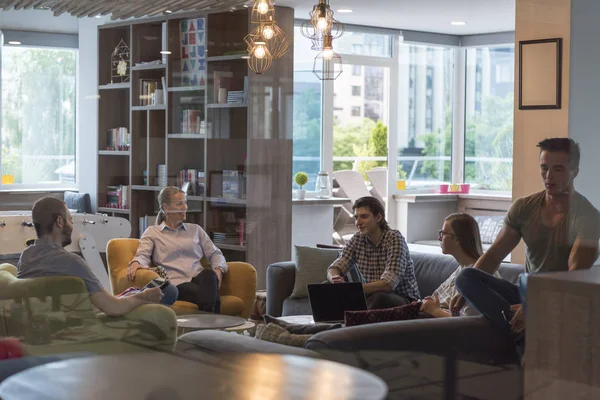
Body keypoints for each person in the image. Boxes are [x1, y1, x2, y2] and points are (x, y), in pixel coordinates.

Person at [451, 138, 600, 361]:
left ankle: (525, 337)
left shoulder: (587, 217)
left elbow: (575, 275)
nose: (549, 176)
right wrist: (464, 294)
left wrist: (535, 308)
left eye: (558, 169)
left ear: (574, 171)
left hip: (564, 302)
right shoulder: (524, 208)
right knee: (465, 277)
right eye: (544, 168)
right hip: (526, 293)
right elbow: (494, 255)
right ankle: (524, 338)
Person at [17, 197, 171, 317]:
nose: (72, 226)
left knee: (132, 293)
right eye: (70, 220)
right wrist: (144, 297)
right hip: (88, 329)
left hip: (44, 329)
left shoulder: (25, 258)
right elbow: (112, 308)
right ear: (59, 221)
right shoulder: (72, 262)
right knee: (168, 292)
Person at [127, 186, 227, 313]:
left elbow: (215, 253)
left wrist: (218, 269)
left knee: (210, 275)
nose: (185, 207)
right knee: (210, 296)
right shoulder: (153, 232)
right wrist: (136, 262)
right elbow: (143, 255)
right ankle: (213, 326)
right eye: (179, 204)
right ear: (165, 207)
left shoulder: (195, 229)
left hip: (199, 278)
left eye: (185, 203)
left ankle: (206, 325)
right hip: (176, 284)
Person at [327, 196, 420, 309]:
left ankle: (356, 322)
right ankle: (336, 324)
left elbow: (388, 284)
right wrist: (334, 278)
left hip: (405, 301)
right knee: (326, 287)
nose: (358, 222)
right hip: (371, 297)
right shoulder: (358, 239)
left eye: (364, 217)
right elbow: (335, 267)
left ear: (379, 217)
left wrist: (352, 290)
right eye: (356, 217)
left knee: (379, 297)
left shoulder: (394, 239)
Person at [420, 213, 501, 318]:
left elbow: (470, 325)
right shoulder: (461, 269)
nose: (439, 238)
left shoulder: (478, 277)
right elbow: (435, 299)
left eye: (443, 233)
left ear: (457, 239)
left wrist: (435, 311)